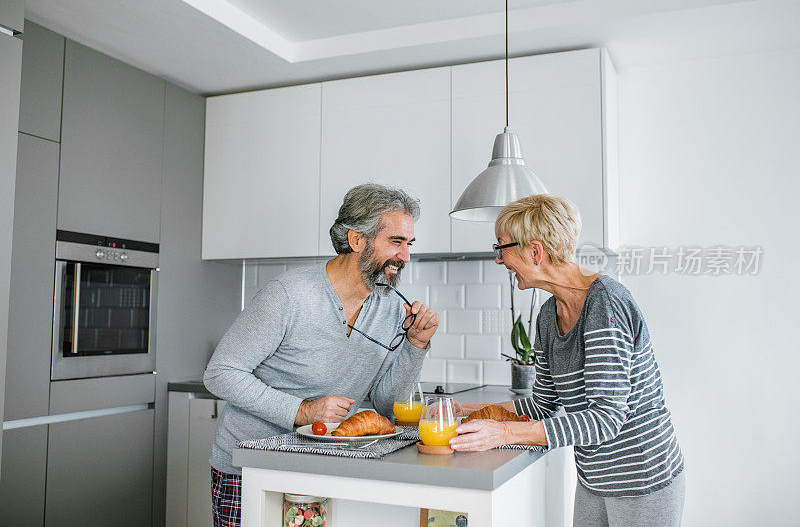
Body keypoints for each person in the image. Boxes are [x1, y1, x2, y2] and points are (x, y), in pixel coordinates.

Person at [203, 183, 439, 527]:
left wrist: (415, 346)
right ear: (357, 240)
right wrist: (302, 410)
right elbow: (220, 372)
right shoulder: (289, 295)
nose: (405, 256)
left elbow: (388, 406)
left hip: (324, 467)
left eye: (409, 244)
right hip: (250, 467)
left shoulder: (391, 308)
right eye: (396, 242)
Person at [449, 194, 685, 527]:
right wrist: (467, 413)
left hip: (642, 480)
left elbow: (605, 419)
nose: (499, 260)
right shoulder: (548, 315)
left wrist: (503, 433)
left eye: (501, 248)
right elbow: (544, 404)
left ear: (534, 251)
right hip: (594, 479)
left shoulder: (605, 305)